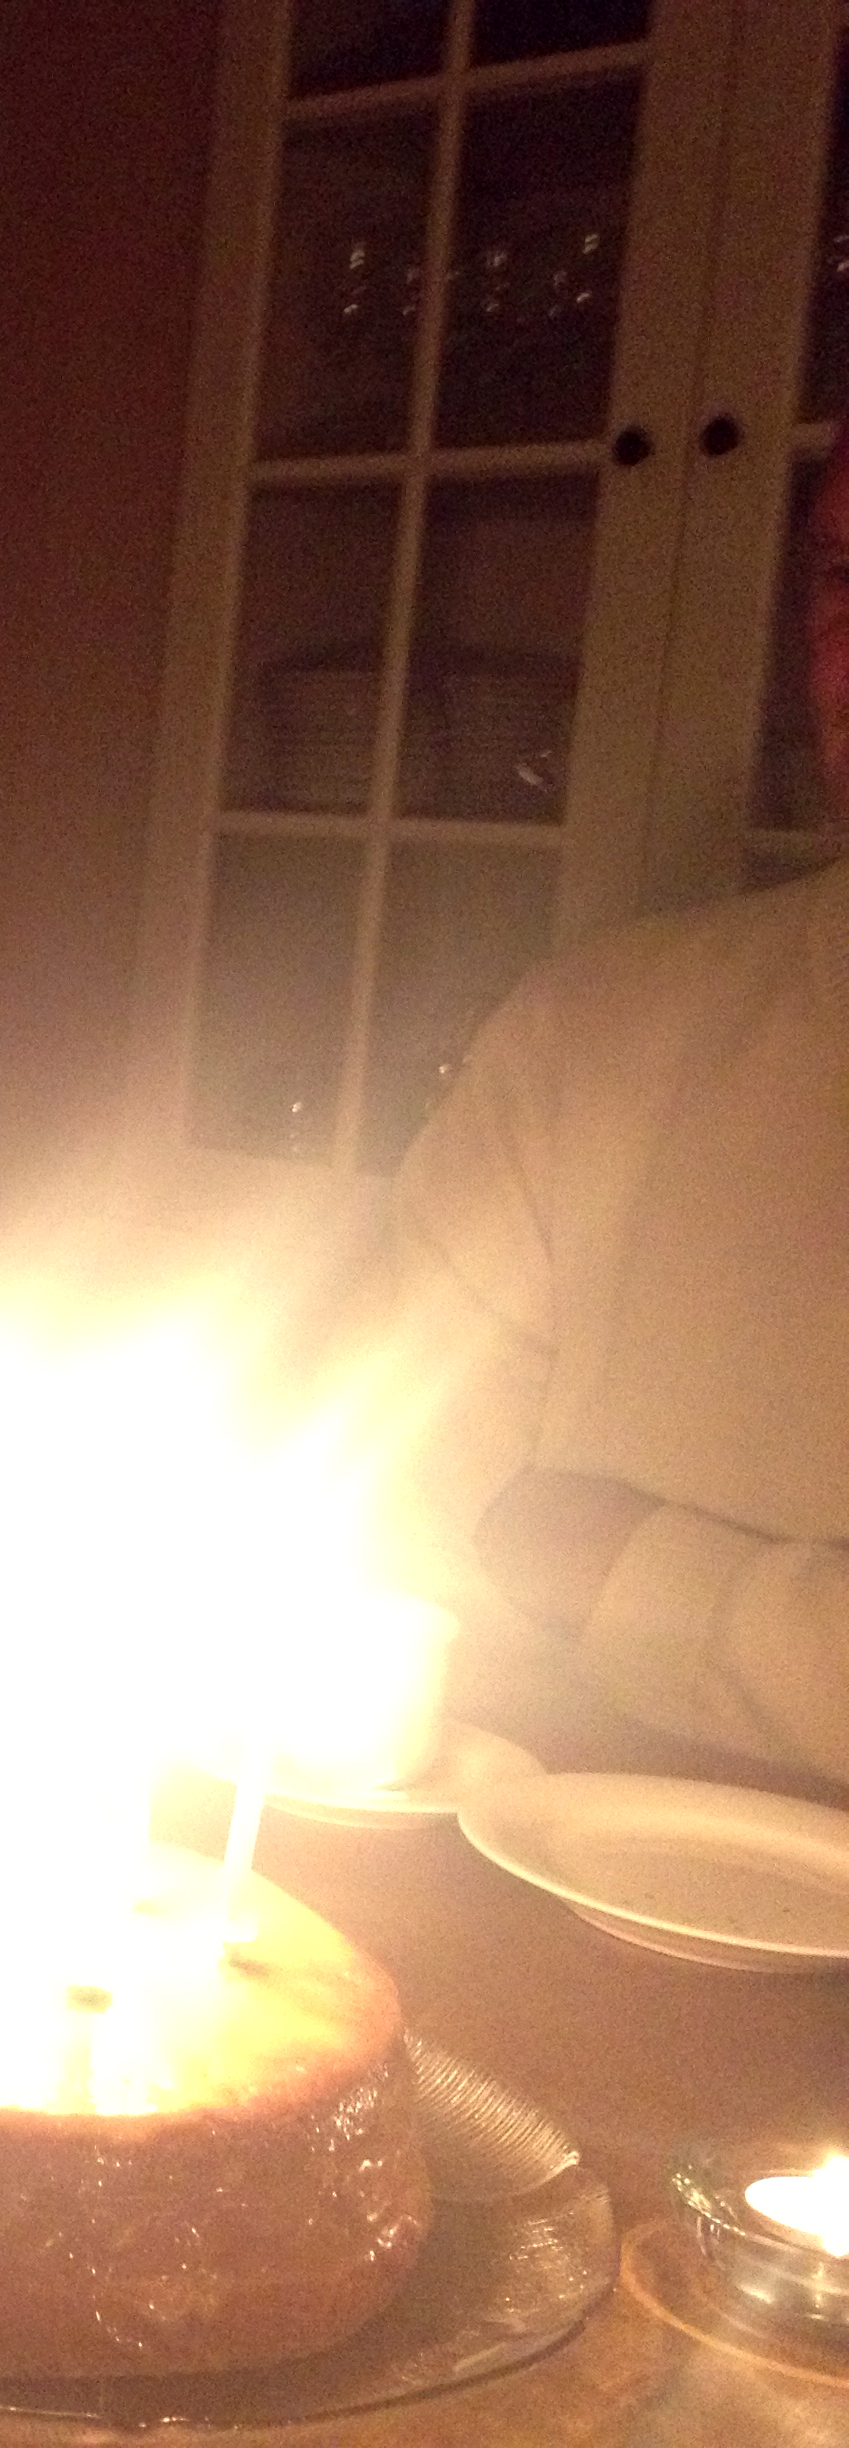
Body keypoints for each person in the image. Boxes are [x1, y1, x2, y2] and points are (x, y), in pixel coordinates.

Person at [365, 428, 849, 1784]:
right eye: (845, 577)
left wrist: (638, 1575)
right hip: (546, 1877)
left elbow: (523, 1545)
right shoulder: (590, 1037)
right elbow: (409, 1534)